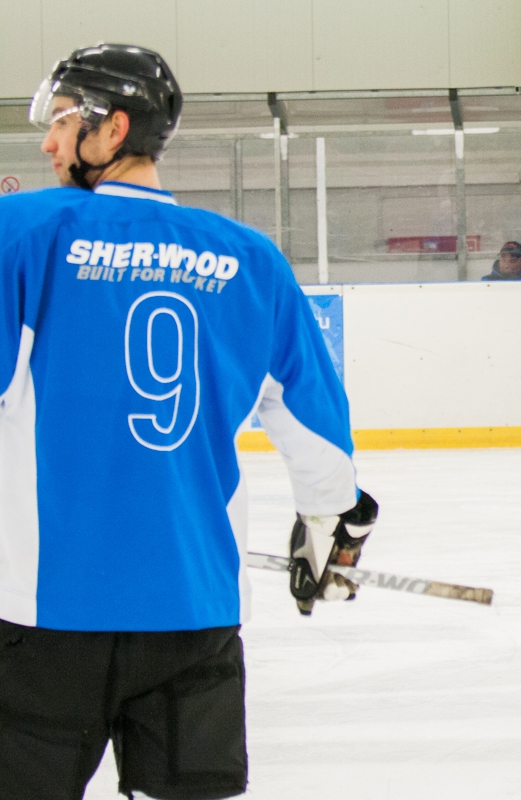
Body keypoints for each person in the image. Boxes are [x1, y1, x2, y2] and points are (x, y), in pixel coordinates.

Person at [0, 44, 377, 799]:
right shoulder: (252, 260)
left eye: (63, 121)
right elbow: (321, 445)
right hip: (193, 618)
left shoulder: (23, 231)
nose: (47, 142)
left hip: (41, 622)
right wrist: (328, 529)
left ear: (113, 129)